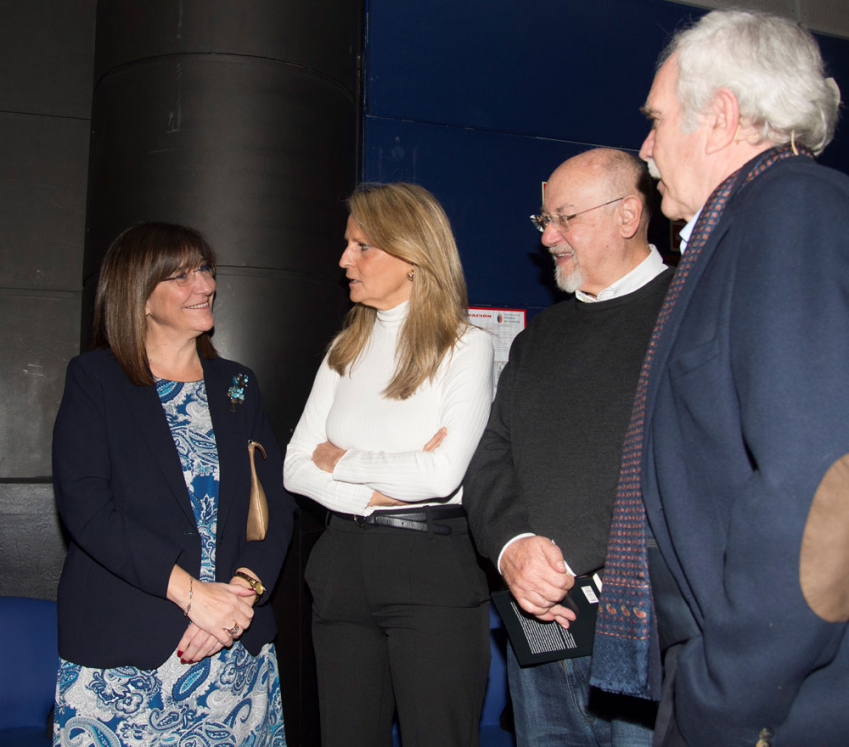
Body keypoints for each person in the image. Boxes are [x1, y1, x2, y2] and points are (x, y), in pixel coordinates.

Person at [589, 10, 849, 747]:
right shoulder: (744, 227)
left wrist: (721, 695)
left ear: (721, 116)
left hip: (776, 706)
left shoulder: (791, 208)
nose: (645, 149)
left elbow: (821, 490)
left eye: (657, 120)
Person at [52, 222, 296, 745]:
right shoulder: (95, 379)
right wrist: (194, 597)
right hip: (127, 655)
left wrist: (235, 600)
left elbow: (275, 507)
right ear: (138, 296)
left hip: (233, 650)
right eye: (181, 275)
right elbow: (87, 509)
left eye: (204, 269)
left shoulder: (237, 383)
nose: (204, 285)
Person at [463, 148, 673, 746]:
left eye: (565, 217)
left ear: (628, 216)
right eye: (543, 220)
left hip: (647, 630)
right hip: (541, 630)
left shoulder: (691, 312)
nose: (548, 236)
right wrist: (512, 548)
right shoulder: (542, 337)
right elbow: (491, 457)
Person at [283, 182, 493, 747]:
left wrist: (343, 459)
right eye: (347, 244)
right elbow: (295, 467)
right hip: (340, 565)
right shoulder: (342, 350)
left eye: (363, 247)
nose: (344, 260)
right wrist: (372, 494)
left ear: (413, 257)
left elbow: (441, 475)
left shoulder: (467, 348)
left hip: (431, 570)